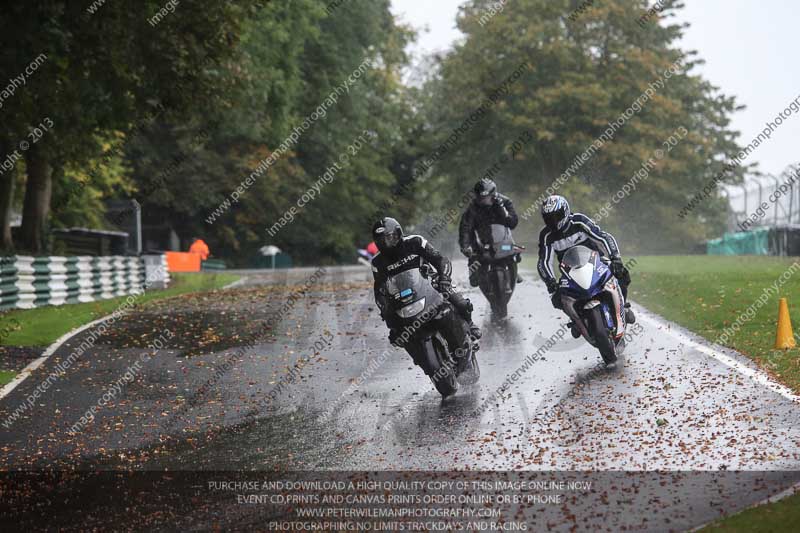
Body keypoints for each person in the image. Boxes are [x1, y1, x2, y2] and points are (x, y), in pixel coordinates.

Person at [371, 217, 481, 345]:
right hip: (401, 295)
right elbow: (379, 289)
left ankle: (470, 324)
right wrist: (385, 308)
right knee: (394, 331)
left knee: (461, 304)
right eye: (381, 240)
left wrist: (444, 279)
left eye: (389, 238)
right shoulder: (377, 262)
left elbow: (440, 260)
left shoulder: (415, 242)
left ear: (398, 233)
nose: (386, 243)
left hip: (430, 281)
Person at [537, 195, 634, 332]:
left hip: (597, 262)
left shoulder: (579, 221)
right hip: (570, 273)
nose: (553, 221)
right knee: (558, 299)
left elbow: (603, 236)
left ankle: (622, 306)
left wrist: (615, 258)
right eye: (548, 218)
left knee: (622, 274)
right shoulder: (546, 235)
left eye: (556, 216)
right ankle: (578, 320)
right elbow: (543, 262)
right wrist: (551, 283)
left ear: (565, 212)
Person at [459, 178, 522, 287]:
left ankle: (513, 268)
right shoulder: (472, 208)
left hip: (504, 244)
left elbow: (513, 223)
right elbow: (465, 229)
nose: (485, 200)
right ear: (477, 196)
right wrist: (465, 246)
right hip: (482, 245)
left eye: (487, 197)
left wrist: (502, 210)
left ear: (493, 195)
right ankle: (479, 274)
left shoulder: (505, 202)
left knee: (513, 249)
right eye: (482, 198)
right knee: (474, 280)